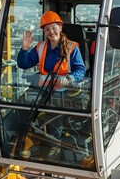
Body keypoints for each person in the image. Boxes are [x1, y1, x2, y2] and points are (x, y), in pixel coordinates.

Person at [16, 10, 86, 160]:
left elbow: (81, 69)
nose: (50, 31)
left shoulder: (72, 47)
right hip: (42, 89)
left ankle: (55, 144)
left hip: (62, 90)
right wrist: (24, 48)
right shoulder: (40, 47)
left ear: (60, 27)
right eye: (47, 29)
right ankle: (31, 139)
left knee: (54, 112)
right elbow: (24, 64)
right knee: (23, 104)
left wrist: (71, 77)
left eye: (53, 27)